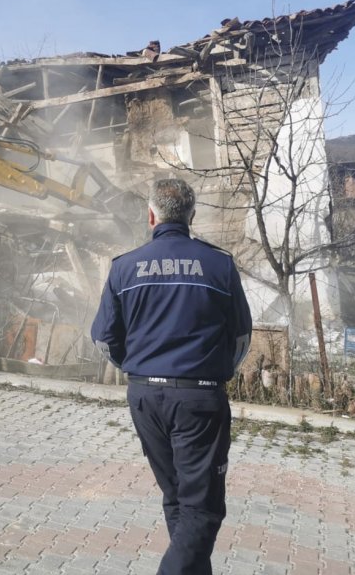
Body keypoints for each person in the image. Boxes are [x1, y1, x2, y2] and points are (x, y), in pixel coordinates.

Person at [91, 177, 252, 575]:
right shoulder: (219, 264)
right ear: (193, 216)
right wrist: (217, 373)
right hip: (199, 398)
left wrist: (138, 369)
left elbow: (104, 339)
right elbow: (241, 336)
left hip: (145, 399)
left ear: (151, 215)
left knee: (178, 498)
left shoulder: (124, 267)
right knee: (203, 509)